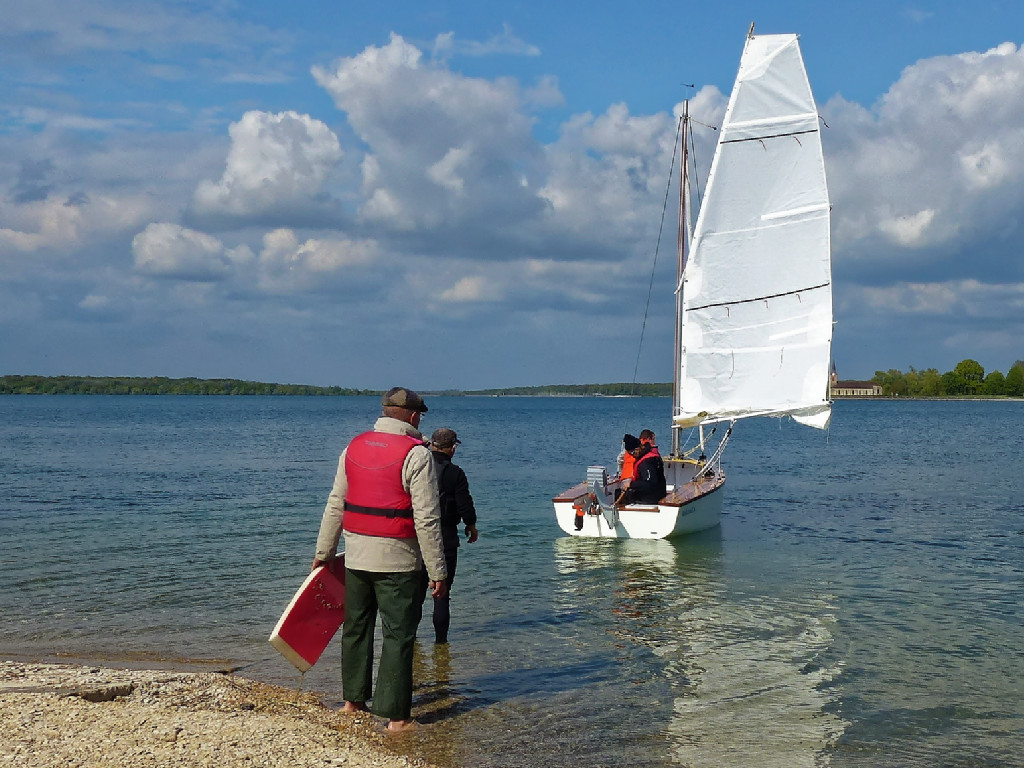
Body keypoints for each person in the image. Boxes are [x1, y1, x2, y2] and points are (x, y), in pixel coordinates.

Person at [312, 386, 447, 732]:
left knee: (356, 628)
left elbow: (335, 503)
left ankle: (352, 702)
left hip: (356, 557)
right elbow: (427, 519)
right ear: (415, 417)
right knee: (398, 635)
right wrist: (438, 570)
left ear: (384, 412)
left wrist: (323, 554)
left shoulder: (352, 448)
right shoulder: (418, 456)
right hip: (399, 562)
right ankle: (397, 718)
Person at [424, 427, 478, 645]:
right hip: (445, 537)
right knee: (442, 593)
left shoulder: (418, 466)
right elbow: (465, 504)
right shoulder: (455, 473)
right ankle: (441, 644)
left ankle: (411, 641)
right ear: (452, 448)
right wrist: (471, 525)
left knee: (415, 594)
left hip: (416, 536)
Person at [618, 437, 666, 505]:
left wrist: (631, 484)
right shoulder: (650, 455)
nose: (632, 456)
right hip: (659, 492)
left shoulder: (646, 462)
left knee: (628, 496)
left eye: (632, 453)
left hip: (653, 497)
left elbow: (650, 483)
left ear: (637, 449)